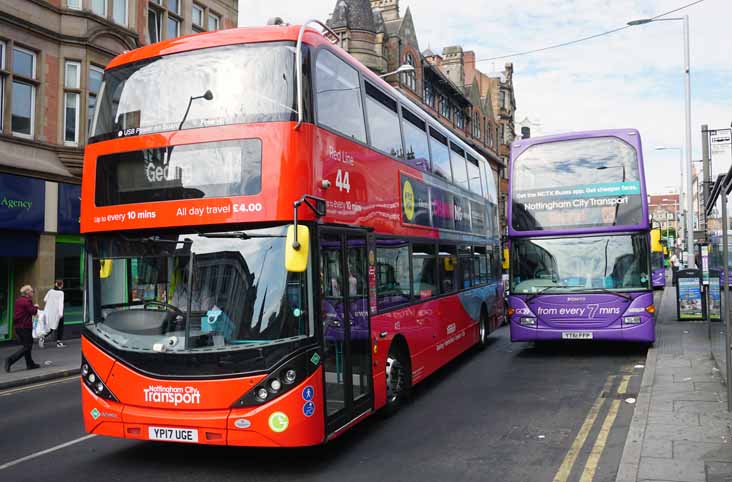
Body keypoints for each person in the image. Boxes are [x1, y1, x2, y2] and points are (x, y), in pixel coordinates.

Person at [4, 285, 40, 372]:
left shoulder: (18, 300)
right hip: (25, 327)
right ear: (27, 293)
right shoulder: (27, 301)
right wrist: (36, 306)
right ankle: (10, 360)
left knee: (26, 346)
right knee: (28, 346)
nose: (33, 293)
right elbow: (33, 312)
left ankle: (30, 364)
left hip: (18, 327)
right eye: (32, 291)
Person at [43, 280, 65, 348]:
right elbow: (61, 304)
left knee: (51, 326)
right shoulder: (61, 293)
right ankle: (59, 342)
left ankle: (43, 337)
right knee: (60, 327)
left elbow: (45, 299)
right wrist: (61, 314)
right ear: (61, 285)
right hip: (57, 312)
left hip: (49, 311)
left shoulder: (50, 291)